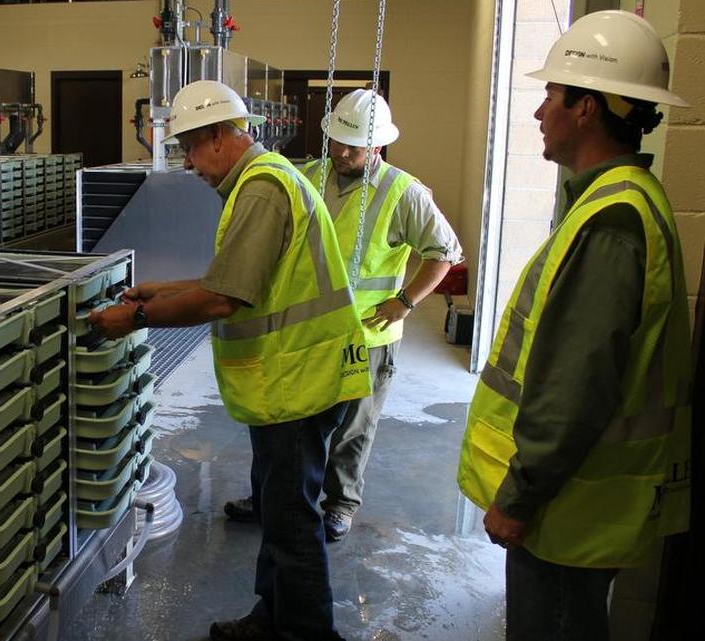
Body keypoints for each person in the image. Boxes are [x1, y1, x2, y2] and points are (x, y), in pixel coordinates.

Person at [89, 79, 371, 641]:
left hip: (300, 380)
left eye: (191, 147)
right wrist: (161, 290)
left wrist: (136, 319)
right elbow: (237, 279)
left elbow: (225, 297)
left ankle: (307, 633)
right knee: (278, 509)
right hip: (289, 382)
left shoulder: (262, 188)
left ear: (220, 135)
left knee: (291, 521)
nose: (190, 164)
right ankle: (273, 618)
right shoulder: (259, 184)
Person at [457, 11, 692, 641]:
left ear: (587, 109)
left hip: (569, 509)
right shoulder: (619, 199)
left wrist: (519, 496)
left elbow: (575, 385)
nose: (539, 112)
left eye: (551, 95)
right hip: (579, 501)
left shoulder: (612, 222)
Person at [223, 89, 464, 541]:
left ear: (377, 146)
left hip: (367, 337)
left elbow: (444, 253)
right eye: (334, 141)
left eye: (351, 146)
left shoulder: (403, 193)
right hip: (307, 332)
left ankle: (340, 505)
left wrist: (405, 302)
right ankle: (269, 499)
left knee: (354, 426)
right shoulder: (310, 174)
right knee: (285, 424)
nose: (340, 152)